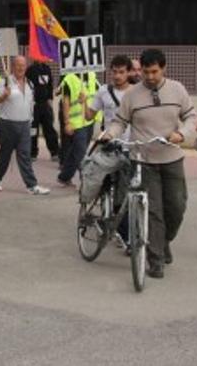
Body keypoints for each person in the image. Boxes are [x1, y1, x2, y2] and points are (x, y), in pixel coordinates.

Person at [104, 49, 197, 279]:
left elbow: (191, 117)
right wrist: (109, 134)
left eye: (155, 71)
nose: (150, 77)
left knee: (177, 206)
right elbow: (120, 122)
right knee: (153, 210)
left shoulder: (177, 90)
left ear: (163, 69)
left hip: (171, 157)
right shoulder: (132, 95)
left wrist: (181, 133)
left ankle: (163, 242)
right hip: (143, 160)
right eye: (146, 72)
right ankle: (155, 260)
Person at [87, 55, 134, 249]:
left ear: (130, 72)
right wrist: (85, 101)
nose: (117, 75)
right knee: (101, 182)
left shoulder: (137, 93)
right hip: (110, 146)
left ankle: (123, 227)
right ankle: (101, 216)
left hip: (132, 147)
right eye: (114, 71)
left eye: (121, 71)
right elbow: (89, 114)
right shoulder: (103, 92)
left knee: (127, 191)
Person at [0, 56, 50, 195]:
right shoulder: (5, 82)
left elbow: (30, 104)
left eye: (23, 65)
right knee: (5, 154)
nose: (21, 68)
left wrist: (30, 121)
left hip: (24, 125)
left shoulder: (30, 83)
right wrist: (3, 97)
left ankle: (31, 185)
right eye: (18, 65)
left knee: (25, 155)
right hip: (8, 124)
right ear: (12, 66)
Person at [57, 70, 100, 188]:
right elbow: (65, 102)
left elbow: (98, 93)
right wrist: (66, 123)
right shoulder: (69, 78)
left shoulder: (92, 75)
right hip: (76, 123)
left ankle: (64, 177)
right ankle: (85, 181)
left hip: (89, 120)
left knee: (75, 152)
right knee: (81, 153)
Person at [26, 57, 60, 162]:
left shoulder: (47, 69)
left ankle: (55, 152)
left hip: (45, 104)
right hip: (34, 104)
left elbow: (50, 85)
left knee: (49, 128)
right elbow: (27, 85)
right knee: (33, 129)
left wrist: (50, 99)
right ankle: (32, 153)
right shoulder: (30, 69)